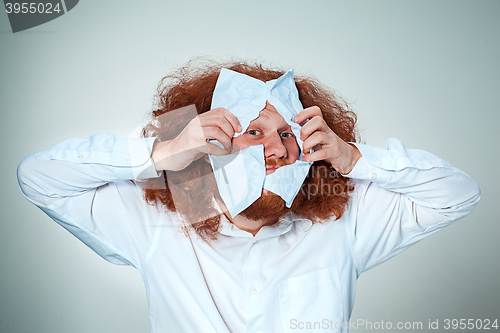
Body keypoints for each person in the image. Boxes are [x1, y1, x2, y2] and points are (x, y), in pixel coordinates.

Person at [17, 61, 480, 333]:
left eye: (287, 134)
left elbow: (458, 195)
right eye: (252, 132)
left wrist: (353, 159)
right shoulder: (155, 223)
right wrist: (168, 150)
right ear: (208, 139)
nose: (275, 150)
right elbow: (37, 177)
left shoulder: (342, 224)